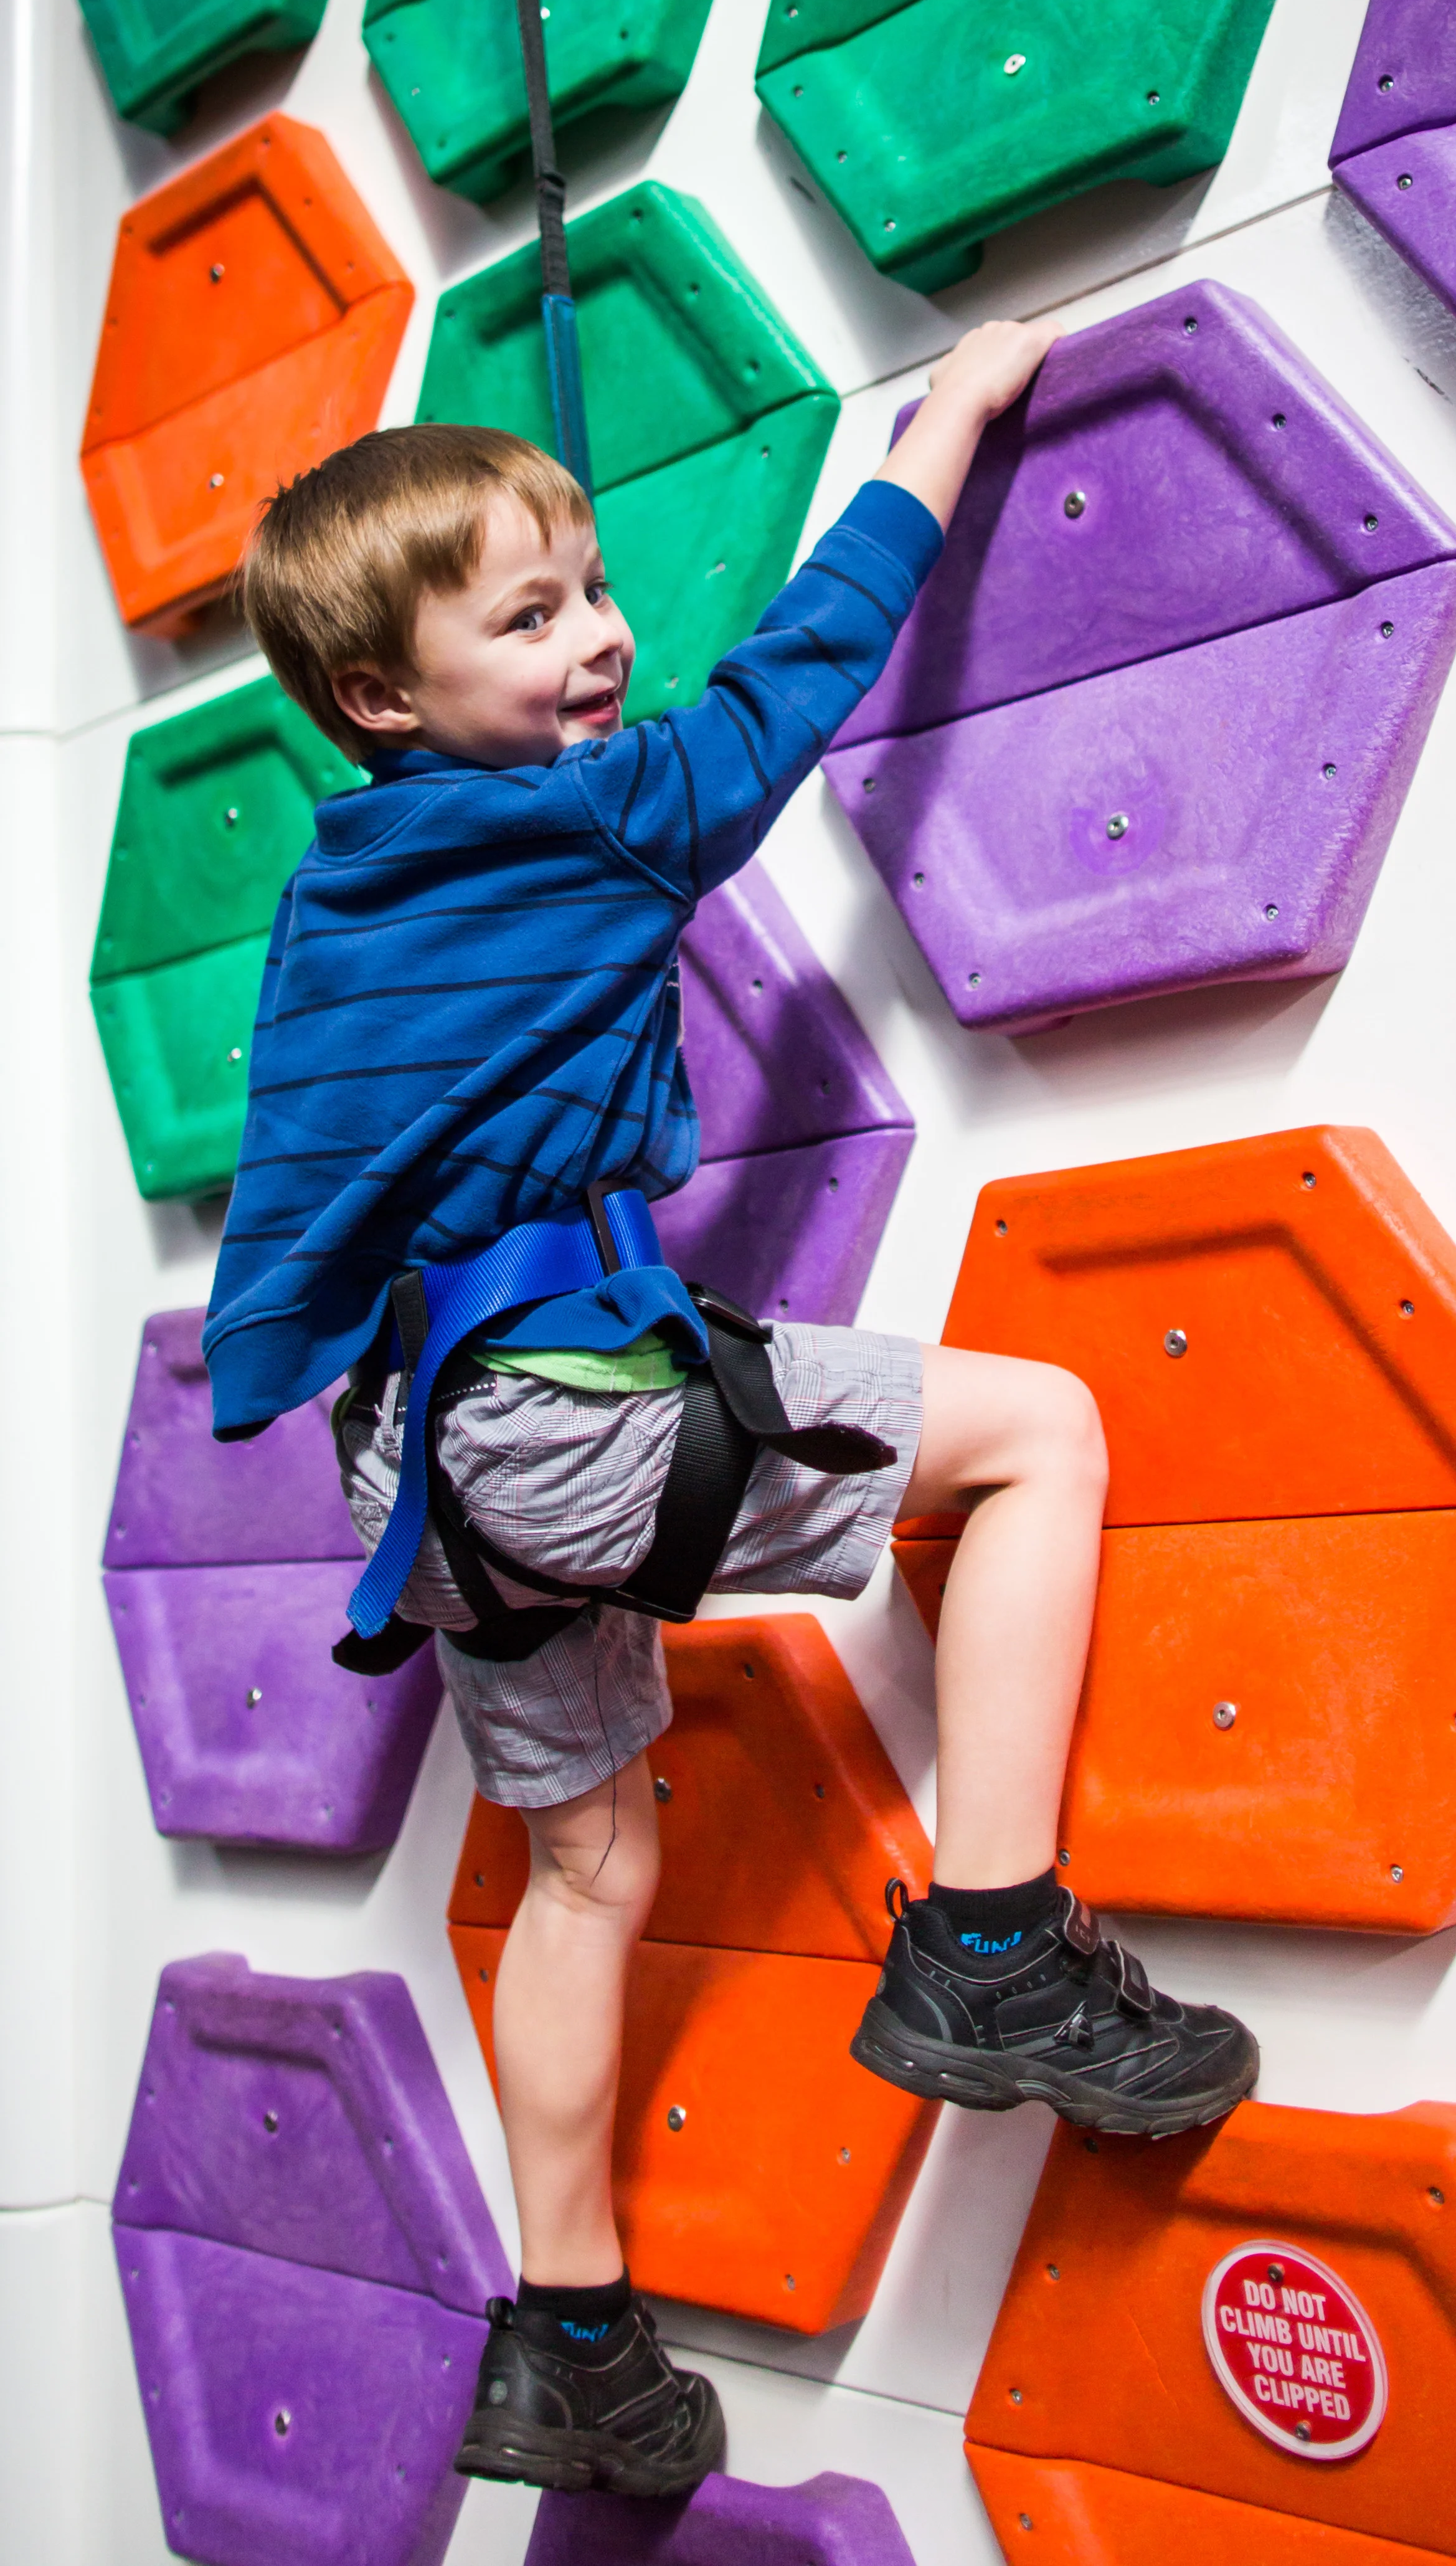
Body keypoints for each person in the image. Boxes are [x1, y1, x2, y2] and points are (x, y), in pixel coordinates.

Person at [203, 322, 1259, 2501]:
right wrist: (945, 424)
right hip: (568, 1415)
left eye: (591, 587)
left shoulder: (346, 884)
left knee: (589, 1859)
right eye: (530, 615)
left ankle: (570, 2340)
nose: (598, 641)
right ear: (382, 698)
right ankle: (993, 1946)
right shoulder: (596, 823)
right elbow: (804, 668)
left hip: (427, 1457)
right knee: (1043, 1425)